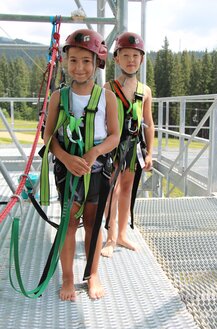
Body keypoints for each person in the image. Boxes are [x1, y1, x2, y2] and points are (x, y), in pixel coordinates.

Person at [44, 29, 119, 301]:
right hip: (68, 169)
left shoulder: (106, 97)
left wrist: (94, 153)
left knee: (92, 223)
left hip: (98, 169)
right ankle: (67, 276)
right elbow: (48, 137)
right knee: (68, 223)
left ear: (97, 63)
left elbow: (114, 135)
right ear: (65, 62)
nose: (79, 67)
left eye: (86, 61)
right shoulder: (58, 98)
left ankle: (92, 273)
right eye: (73, 60)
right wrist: (65, 158)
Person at [101, 32, 154, 258]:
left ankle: (122, 234)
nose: (131, 60)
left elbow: (149, 123)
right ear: (117, 59)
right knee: (111, 191)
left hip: (134, 148)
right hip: (113, 147)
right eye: (126, 55)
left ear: (141, 59)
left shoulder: (145, 91)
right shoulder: (108, 88)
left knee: (127, 190)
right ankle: (111, 237)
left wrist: (149, 152)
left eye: (135, 55)